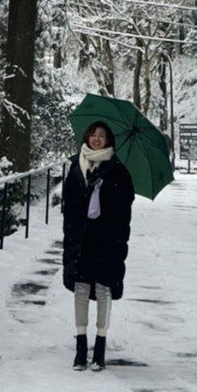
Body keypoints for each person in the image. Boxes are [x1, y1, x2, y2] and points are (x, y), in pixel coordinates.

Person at [61, 120, 135, 370]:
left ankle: (100, 346)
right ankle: (81, 346)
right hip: (81, 237)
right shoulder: (76, 166)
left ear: (108, 140)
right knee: (81, 288)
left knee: (104, 288)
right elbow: (69, 203)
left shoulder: (118, 170)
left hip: (106, 239)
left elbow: (125, 207)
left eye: (101, 135)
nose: (96, 138)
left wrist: (106, 191)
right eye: (92, 134)